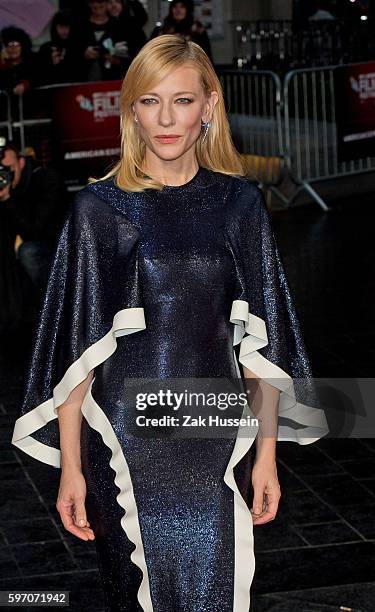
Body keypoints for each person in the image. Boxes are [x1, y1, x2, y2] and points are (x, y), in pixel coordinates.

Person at [11, 35, 329, 611]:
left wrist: (266, 458)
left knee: (222, 591)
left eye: (181, 101)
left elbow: (258, 348)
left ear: (209, 106)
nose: (165, 119)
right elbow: (78, 354)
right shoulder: (98, 209)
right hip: (123, 442)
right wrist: (72, 468)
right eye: (149, 101)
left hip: (214, 433)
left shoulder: (241, 204)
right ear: (131, 109)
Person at [0, 143, 69, 295]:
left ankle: (54, 298)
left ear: (21, 162)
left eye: (9, 168)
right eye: (2, 171)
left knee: (27, 252)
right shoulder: (12, 188)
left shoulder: (45, 179)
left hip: (59, 245)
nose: (6, 175)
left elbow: (35, 230)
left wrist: (8, 200)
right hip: (38, 241)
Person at [79, 0, 127, 81]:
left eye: (101, 1)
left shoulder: (118, 26)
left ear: (107, 3)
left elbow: (127, 55)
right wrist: (83, 54)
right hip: (83, 78)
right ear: (89, 4)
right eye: (93, 2)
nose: (97, 4)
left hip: (112, 79)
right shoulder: (80, 26)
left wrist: (116, 60)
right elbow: (71, 53)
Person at [37, 10, 82, 86]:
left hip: (74, 88)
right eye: (61, 27)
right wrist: (52, 64)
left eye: (66, 27)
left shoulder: (78, 47)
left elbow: (80, 72)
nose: (64, 30)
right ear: (55, 27)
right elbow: (40, 75)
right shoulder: (46, 48)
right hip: (53, 89)